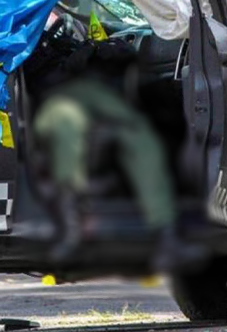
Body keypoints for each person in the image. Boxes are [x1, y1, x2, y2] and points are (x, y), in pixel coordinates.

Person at [27, 17, 203, 270]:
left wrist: (91, 51)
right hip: (42, 96)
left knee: (136, 130)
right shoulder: (12, 14)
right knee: (66, 124)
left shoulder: (49, 16)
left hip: (77, 88)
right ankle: (72, 229)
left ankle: (166, 236)